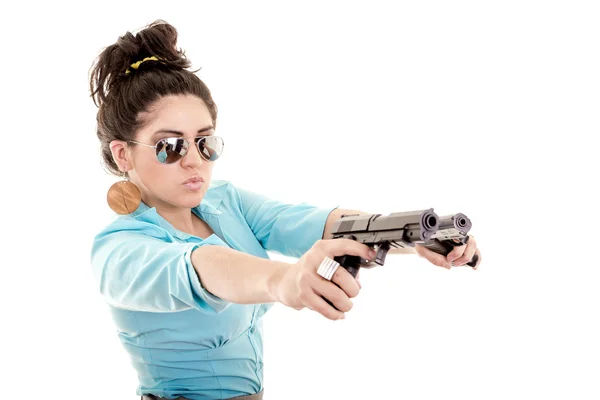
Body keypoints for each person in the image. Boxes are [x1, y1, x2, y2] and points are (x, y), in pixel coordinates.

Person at [89, 20, 482, 400]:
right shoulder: (120, 249)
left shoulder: (223, 201)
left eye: (204, 141)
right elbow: (200, 266)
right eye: (171, 146)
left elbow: (313, 223)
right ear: (123, 154)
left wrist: (416, 235)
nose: (194, 160)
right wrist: (283, 280)